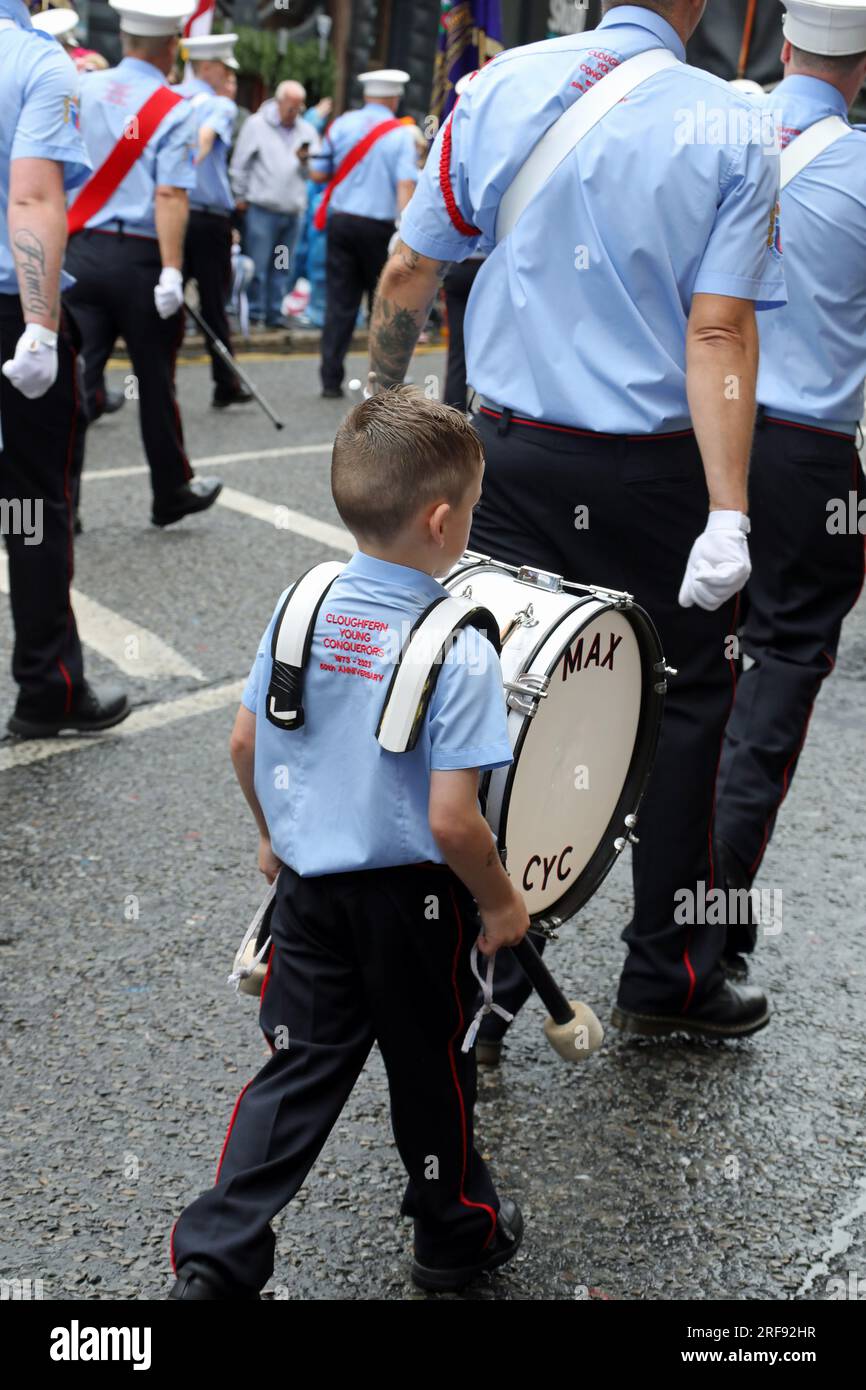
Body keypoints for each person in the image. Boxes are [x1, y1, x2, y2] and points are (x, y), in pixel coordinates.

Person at [368, 0, 788, 1051]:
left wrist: (378, 412)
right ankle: (669, 967)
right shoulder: (733, 123)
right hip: (654, 471)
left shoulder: (497, 85)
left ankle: (482, 976)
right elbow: (717, 327)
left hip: (503, 458)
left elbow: (408, 274)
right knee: (683, 703)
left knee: (487, 702)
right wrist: (730, 507)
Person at [168, 388, 529, 1299]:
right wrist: (498, 900)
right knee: (430, 1073)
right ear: (443, 520)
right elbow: (454, 820)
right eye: (473, 509)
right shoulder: (465, 645)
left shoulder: (303, 599)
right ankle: (452, 1234)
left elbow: (246, 742)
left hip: (310, 893)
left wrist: (270, 841)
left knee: (295, 1073)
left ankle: (215, 1260)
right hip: (415, 906)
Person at [715, 0, 866, 973]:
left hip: (686, 434)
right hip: (806, 452)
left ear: (780, 43)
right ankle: (705, 924)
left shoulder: (717, 134)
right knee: (770, 681)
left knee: (666, 677)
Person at [0, 0, 128, 737]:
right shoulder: (40, 61)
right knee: (32, 510)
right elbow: (33, 196)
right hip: (10, 308)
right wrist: (41, 326)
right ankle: (47, 685)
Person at [63, 0, 222, 529]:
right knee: (155, 381)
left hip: (79, 250)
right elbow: (171, 194)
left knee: (77, 378)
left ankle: (65, 504)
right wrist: (174, 271)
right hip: (140, 260)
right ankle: (170, 491)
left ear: (125, 41)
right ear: (171, 45)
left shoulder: (81, 88)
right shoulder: (175, 106)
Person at [309, 69, 419, 399]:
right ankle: (380, 382)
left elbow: (318, 171)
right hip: (378, 227)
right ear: (394, 98)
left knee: (339, 302)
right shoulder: (401, 135)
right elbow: (405, 184)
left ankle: (330, 380)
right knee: (382, 305)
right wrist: (405, 229)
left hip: (341, 221)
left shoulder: (341, 124)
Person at [177, 31, 251, 408]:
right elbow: (203, 143)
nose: (230, 80)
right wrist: (184, 168)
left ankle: (159, 379)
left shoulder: (171, 96)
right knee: (213, 303)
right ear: (207, 67)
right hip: (206, 219)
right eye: (227, 70)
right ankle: (226, 383)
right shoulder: (216, 105)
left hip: (171, 212)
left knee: (170, 298)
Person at [229, 81, 319, 330]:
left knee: (281, 265)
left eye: (298, 107)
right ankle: (254, 311)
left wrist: (304, 162)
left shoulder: (307, 131)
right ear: (280, 102)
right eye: (290, 106)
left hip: (291, 212)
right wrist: (240, 196)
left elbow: (315, 171)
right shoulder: (257, 125)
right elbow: (240, 164)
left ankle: (273, 312)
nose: (294, 112)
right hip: (262, 209)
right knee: (258, 264)